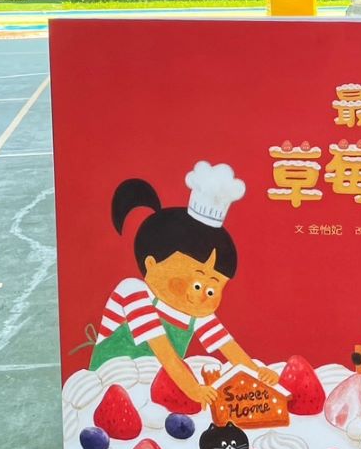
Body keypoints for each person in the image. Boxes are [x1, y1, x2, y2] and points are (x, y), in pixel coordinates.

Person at [90, 161, 278, 406]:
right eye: (196, 284)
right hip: (107, 387)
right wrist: (193, 390)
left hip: (157, 393)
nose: (199, 295)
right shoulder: (133, 290)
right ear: (152, 264)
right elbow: (164, 352)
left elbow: (228, 346)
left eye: (211, 289)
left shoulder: (196, 312)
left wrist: (258, 373)